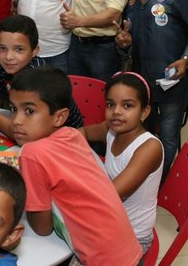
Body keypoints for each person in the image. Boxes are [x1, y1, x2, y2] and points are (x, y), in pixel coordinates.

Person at [10, 67, 142, 265]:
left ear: (59, 117)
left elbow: (42, 228)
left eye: (29, 111)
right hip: (129, 251)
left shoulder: (32, 153)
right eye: (14, 109)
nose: (16, 121)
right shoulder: (72, 135)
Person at [115, 0, 188, 179]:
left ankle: (158, 182)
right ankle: (141, 176)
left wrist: (186, 58)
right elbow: (128, 38)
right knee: (142, 133)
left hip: (172, 83)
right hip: (141, 84)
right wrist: (124, 44)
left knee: (167, 136)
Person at [84, 72, 163, 253]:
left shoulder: (149, 147)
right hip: (107, 221)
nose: (116, 111)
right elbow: (81, 133)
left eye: (127, 105)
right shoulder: (110, 130)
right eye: (110, 104)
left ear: (145, 112)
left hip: (131, 236)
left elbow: (109, 195)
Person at [0, 15, 84, 139]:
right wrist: (10, 128)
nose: (8, 56)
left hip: (67, 138)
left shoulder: (39, 77)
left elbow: (29, 136)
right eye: (2, 48)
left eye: (19, 49)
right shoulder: (0, 66)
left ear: (35, 51)